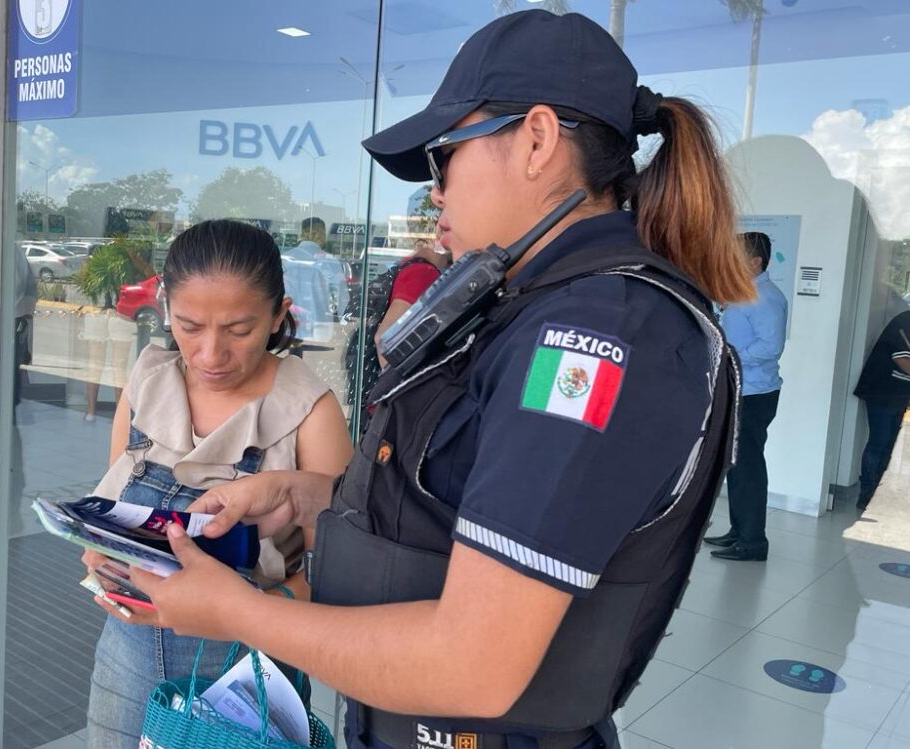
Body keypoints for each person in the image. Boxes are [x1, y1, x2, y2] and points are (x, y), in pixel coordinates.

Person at [116, 12, 754, 749]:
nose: (433, 191)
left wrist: (236, 612)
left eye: (442, 156)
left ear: (537, 139)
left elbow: (473, 664)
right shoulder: (521, 305)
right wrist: (312, 499)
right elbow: (462, 516)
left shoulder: (593, 336)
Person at [81, 219, 352, 747]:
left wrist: (247, 612)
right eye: (189, 326)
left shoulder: (309, 410)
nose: (209, 355)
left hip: (241, 670)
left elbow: (339, 573)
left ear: (279, 314)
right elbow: (112, 504)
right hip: (127, 649)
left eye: (238, 330)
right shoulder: (147, 381)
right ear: (165, 310)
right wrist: (99, 553)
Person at [704, 232, 788, 561]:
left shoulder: (766, 297)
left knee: (748, 467)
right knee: (736, 465)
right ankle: (739, 532)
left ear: (755, 262)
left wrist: (730, 356)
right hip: (740, 389)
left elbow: (771, 347)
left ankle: (753, 542)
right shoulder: (745, 292)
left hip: (754, 394)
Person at [344, 232, 450, 423]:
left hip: (371, 393)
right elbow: (387, 338)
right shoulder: (423, 273)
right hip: (387, 406)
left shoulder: (403, 266)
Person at [853, 309, 910, 511]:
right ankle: (867, 493)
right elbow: (902, 359)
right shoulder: (905, 322)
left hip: (900, 394)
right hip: (882, 390)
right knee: (879, 441)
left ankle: (878, 489)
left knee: (889, 444)